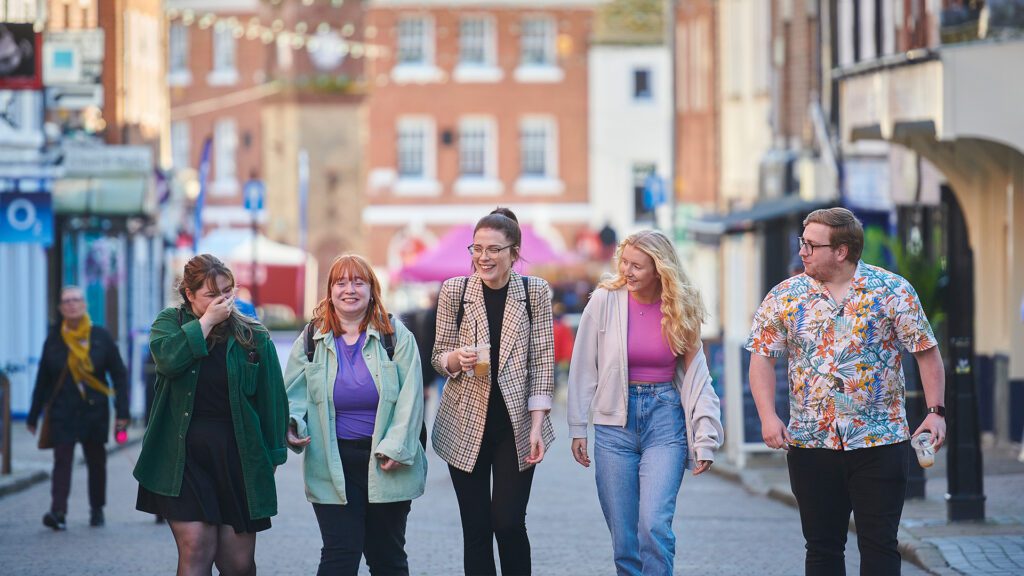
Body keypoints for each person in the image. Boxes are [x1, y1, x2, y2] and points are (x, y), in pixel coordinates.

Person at [746, 207, 946, 576]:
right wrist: (768, 416)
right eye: (801, 242)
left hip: (880, 441)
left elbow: (926, 353)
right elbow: (762, 359)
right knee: (821, 547)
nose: (802, 251)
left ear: (841, 251)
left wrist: (935, 411)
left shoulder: (893, 290)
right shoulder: (784, 296)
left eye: (811, 244)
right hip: (811, 442)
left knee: (880, 543)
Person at [567, 230, 723, 576]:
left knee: (653, 525)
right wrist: (577, 427)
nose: (627, 271)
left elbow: (698, 378)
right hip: (613, 427)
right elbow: (582, 366)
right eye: (624, 262)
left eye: (637, 266)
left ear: (660, 268)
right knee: (624, 539)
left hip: (664, 419)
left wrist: (705, 436)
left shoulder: (682, 306)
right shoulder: (604, 300)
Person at [134, 254, 288, 576]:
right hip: (183, 456)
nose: (223, 301)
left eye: (228, 292)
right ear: (189, 295)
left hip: (238, 457)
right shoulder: (170, 323)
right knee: (196, 548)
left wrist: (272, 459)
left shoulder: (253, 336)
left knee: (237, 563)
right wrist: (205, 323)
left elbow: (272, 402)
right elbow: (168, 361)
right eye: (212, 294)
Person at [283, 254, 427, 576]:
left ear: (372, 289)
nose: (350, 289)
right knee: (339, 556)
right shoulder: (311, 340)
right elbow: (292, 397)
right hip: (332, 463)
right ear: (330, 291)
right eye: (341, 282)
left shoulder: (396, 337)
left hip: (386, 461)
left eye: (358, 282)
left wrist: (396, 447)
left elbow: (411, 399)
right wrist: (292, 425)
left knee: (387, 557)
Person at [431, 207, 555, 576]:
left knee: (509, 522)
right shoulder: (455, 291)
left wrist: (537, 425)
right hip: (464, 423)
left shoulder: (534, 293)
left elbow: (544, 363)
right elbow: (438, 357)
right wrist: (456, 358)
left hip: (515, 427)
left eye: (494, 249)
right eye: (477, 248)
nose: (483, 257)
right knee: (477, 529)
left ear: (514, 254)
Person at [27, 285, 129, 530]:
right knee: (62, 460)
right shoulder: (54, 340)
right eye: (66, 301)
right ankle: (58, 511)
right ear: (61, 309)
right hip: (63, 410)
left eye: (75, 300)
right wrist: (33, 415)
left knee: (96, 461)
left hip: (94, 410)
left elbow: (119, 375)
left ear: (84, 305)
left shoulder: (100, 336)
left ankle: (97, 509)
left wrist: (123, 413)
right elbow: (43, 378)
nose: (71, 304)